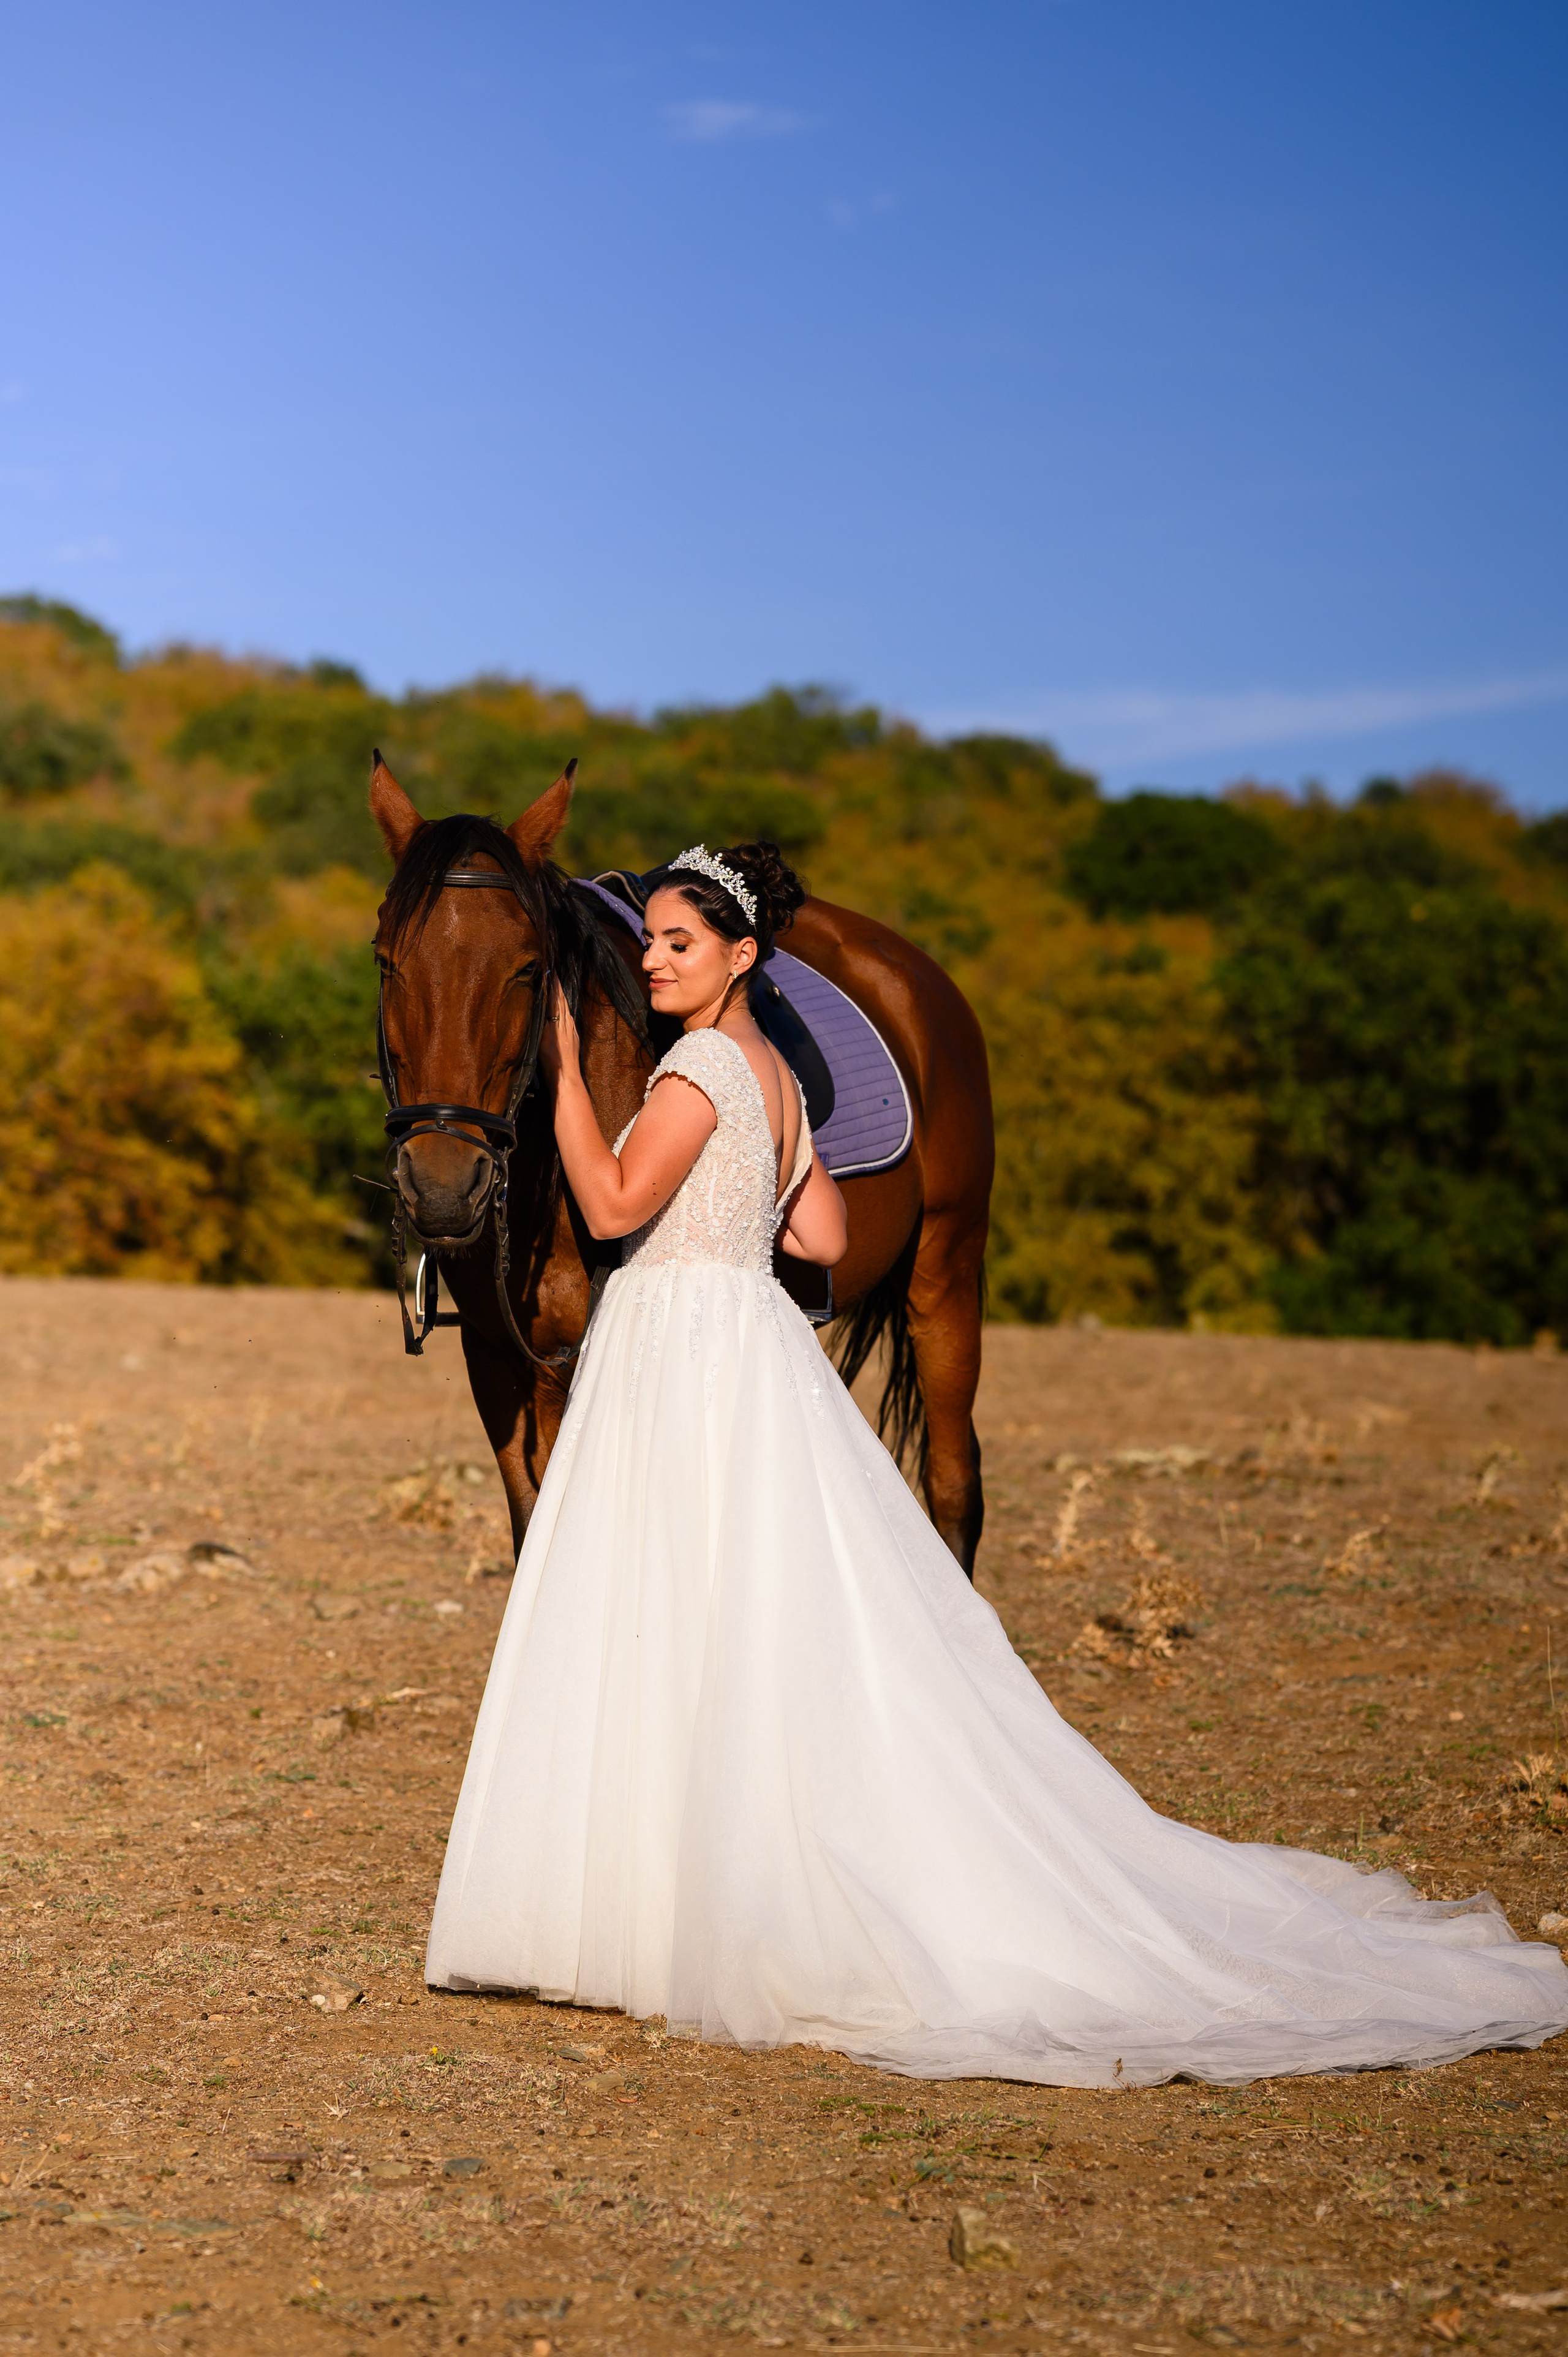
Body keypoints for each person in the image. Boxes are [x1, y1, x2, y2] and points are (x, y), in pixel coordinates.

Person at [425, 840, 1568, 2087]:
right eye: (645, 940)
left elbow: (600, 1206)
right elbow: (818, 1228)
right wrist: (746, 1198)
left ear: (740, 954)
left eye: (677, 943)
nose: (650, 958)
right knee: (751, 1617)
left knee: (666, 1614)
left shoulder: (697, 1064)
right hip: (750, 1344)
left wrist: (560, 1078)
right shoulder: (774, 1075)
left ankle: (640, 1901)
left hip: (677, 1347)